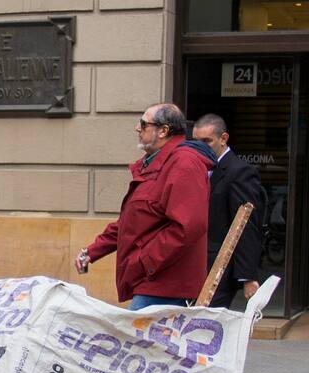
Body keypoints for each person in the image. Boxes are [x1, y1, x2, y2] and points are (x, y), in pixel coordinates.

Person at [76, 103, 215, 310]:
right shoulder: (154, 162)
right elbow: (132, 221)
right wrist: (93, 251)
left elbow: (188, 227)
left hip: (166, 285)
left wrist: (144, 262)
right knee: (135, 339)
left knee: (131, 339)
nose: (137, 128)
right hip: (152, 281)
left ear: (163, 130)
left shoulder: (184, 163)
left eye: (143, 124)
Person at [192, 114, 265, 309]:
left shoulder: (239, 171)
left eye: (207, 141)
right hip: (195, 263)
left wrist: (248, 276)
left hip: (220, 266)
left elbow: (245, 223)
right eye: (196, 142)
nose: (201, 147)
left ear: (223, 139)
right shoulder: (196, 168)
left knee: (205, 325)